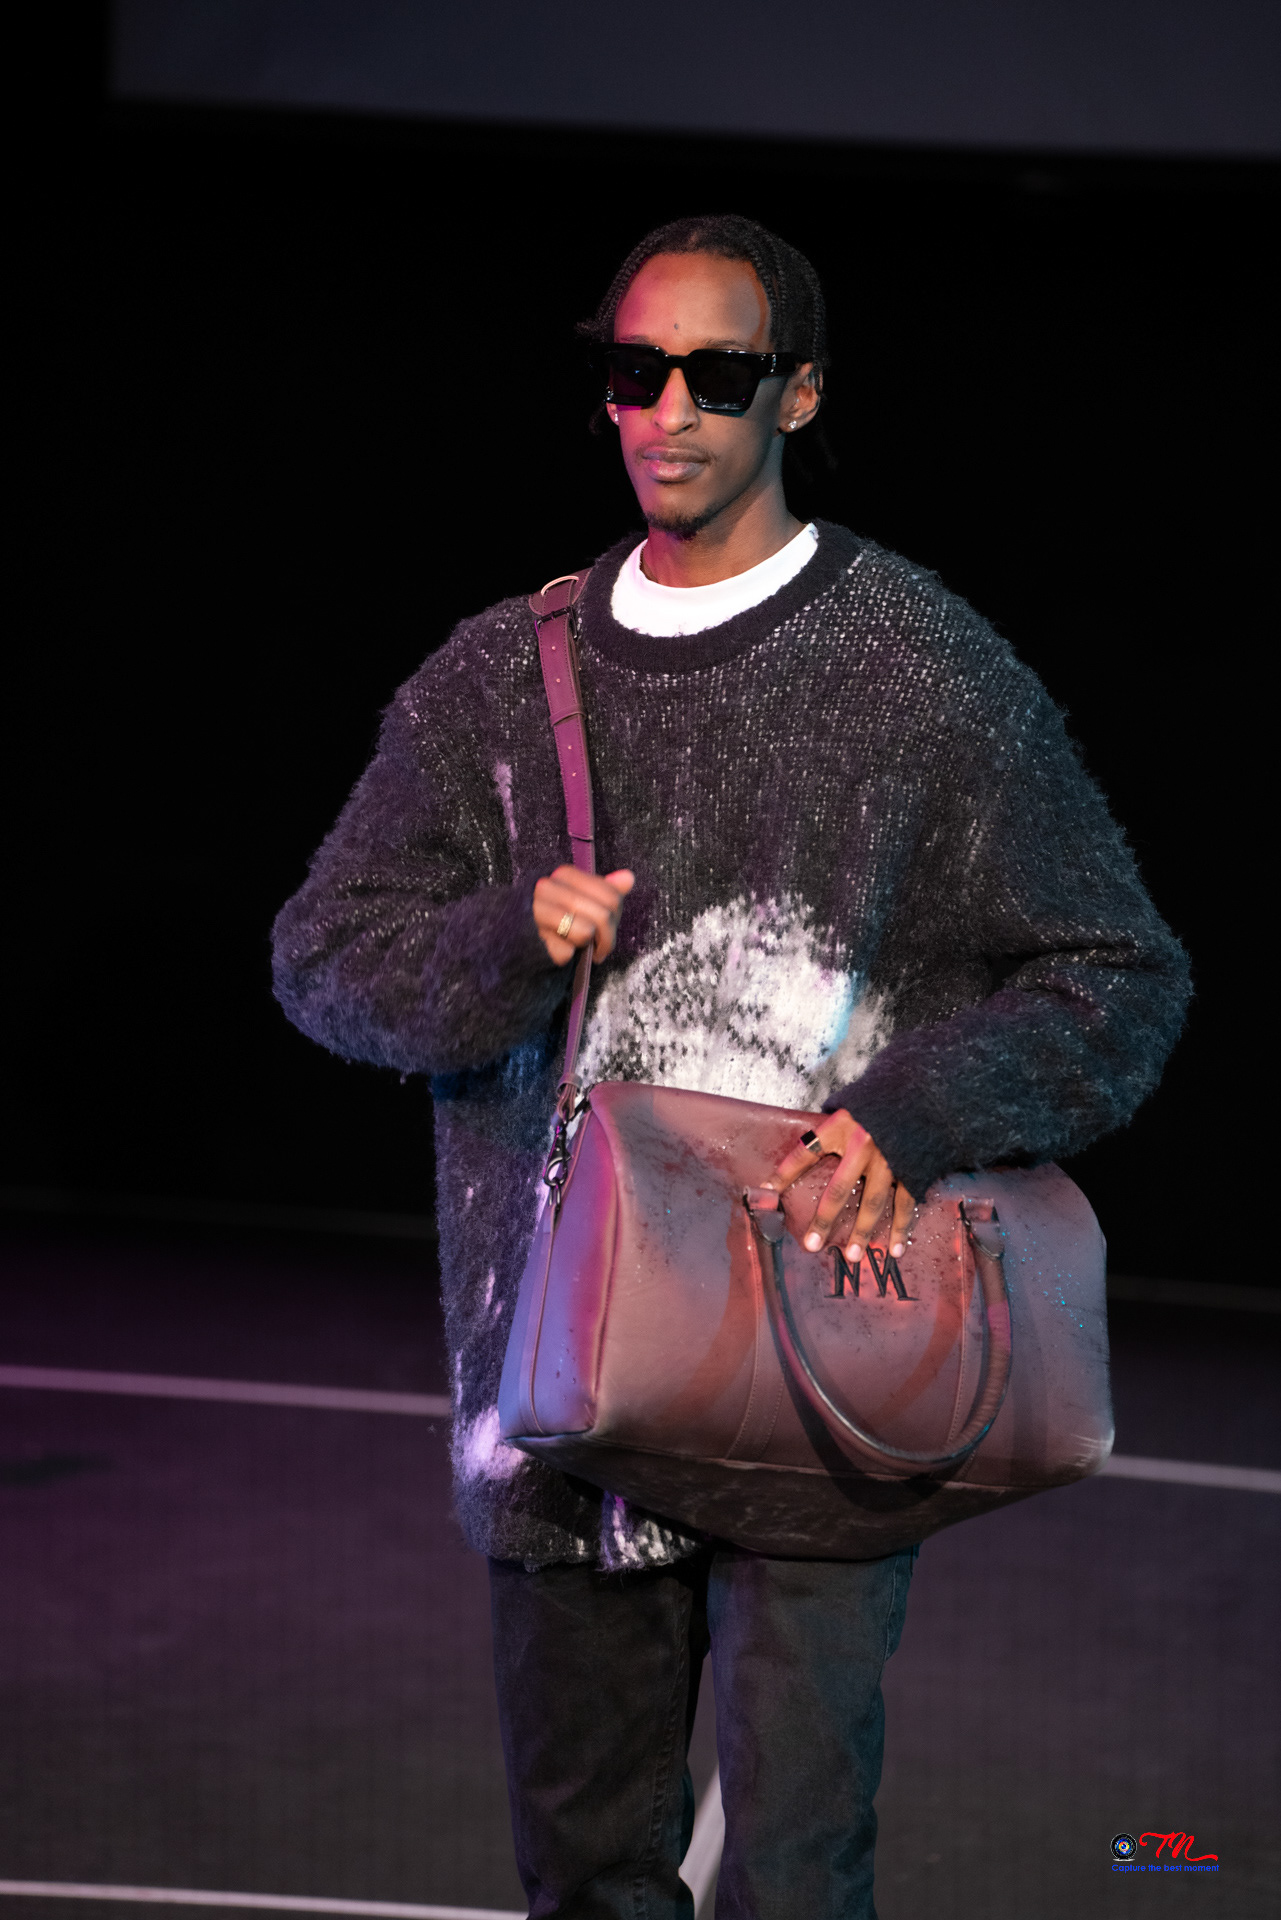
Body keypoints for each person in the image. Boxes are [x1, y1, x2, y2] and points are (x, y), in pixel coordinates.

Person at [272, 214, 1189, 1920]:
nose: (672, 409)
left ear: (798, 394)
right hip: (568, 1394)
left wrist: (912, 1112)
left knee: (793, 1876)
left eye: (718, 373)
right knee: (586, 1876)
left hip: (821, 1382)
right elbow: (324, 961)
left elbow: (1116, 978)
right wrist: (504, 940)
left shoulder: (918, 673)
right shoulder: (498, 680)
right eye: (639, 371)